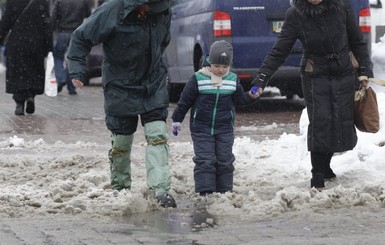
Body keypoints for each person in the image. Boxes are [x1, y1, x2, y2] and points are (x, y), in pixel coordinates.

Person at [251, 0, 373, 190]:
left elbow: (357, 41)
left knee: (340, 119)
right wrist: (262, 78)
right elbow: (280, 50)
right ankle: (317, 172)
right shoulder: (296, 14)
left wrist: (365, 69)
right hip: (315, 73)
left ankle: (326, 165)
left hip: (344, 72)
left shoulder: (341, 6)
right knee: (320, 119)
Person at [67, 0, 177, 208]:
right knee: (122, 142)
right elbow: (80, 38)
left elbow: (164, 41)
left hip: (152, 83)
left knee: (157, 135)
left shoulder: (162, 10)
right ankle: (120, 188)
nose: (152, 12)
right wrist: (78, 70)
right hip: (120, 85)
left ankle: (160, 190)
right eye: (148, 8)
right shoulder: (112, 10)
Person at [171, 40, 261, 196]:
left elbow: (240, 101)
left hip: (225, 128)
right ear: (210, 62)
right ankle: (205, 193)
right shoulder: (199, 78)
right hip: (201, 128)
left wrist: (252, 96)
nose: (220, 70)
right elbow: (185, 101)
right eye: (217, 66)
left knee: (225, 160)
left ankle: (224, 192)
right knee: (205, 160)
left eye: (224, 67)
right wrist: (177, 119)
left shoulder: (232, 80)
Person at [0, 0, 52, 116]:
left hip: (17, 43)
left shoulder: (12, 2)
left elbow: (5, 22)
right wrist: (49, 46)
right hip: (36, 43)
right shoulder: (42, 2)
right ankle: (30, 95)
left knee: (18, 73)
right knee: (33, 71)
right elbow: (47, 24)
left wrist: (1, 37)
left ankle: (19, 103)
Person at [50, 0, 91, 95]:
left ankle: (61, 78)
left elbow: (53, 18)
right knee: (73, 59)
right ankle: (71, 87)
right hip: (77, 33)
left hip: (63, 32)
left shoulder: (59, 1)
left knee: (58, 57)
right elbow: (89, 14)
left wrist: (50, 31)